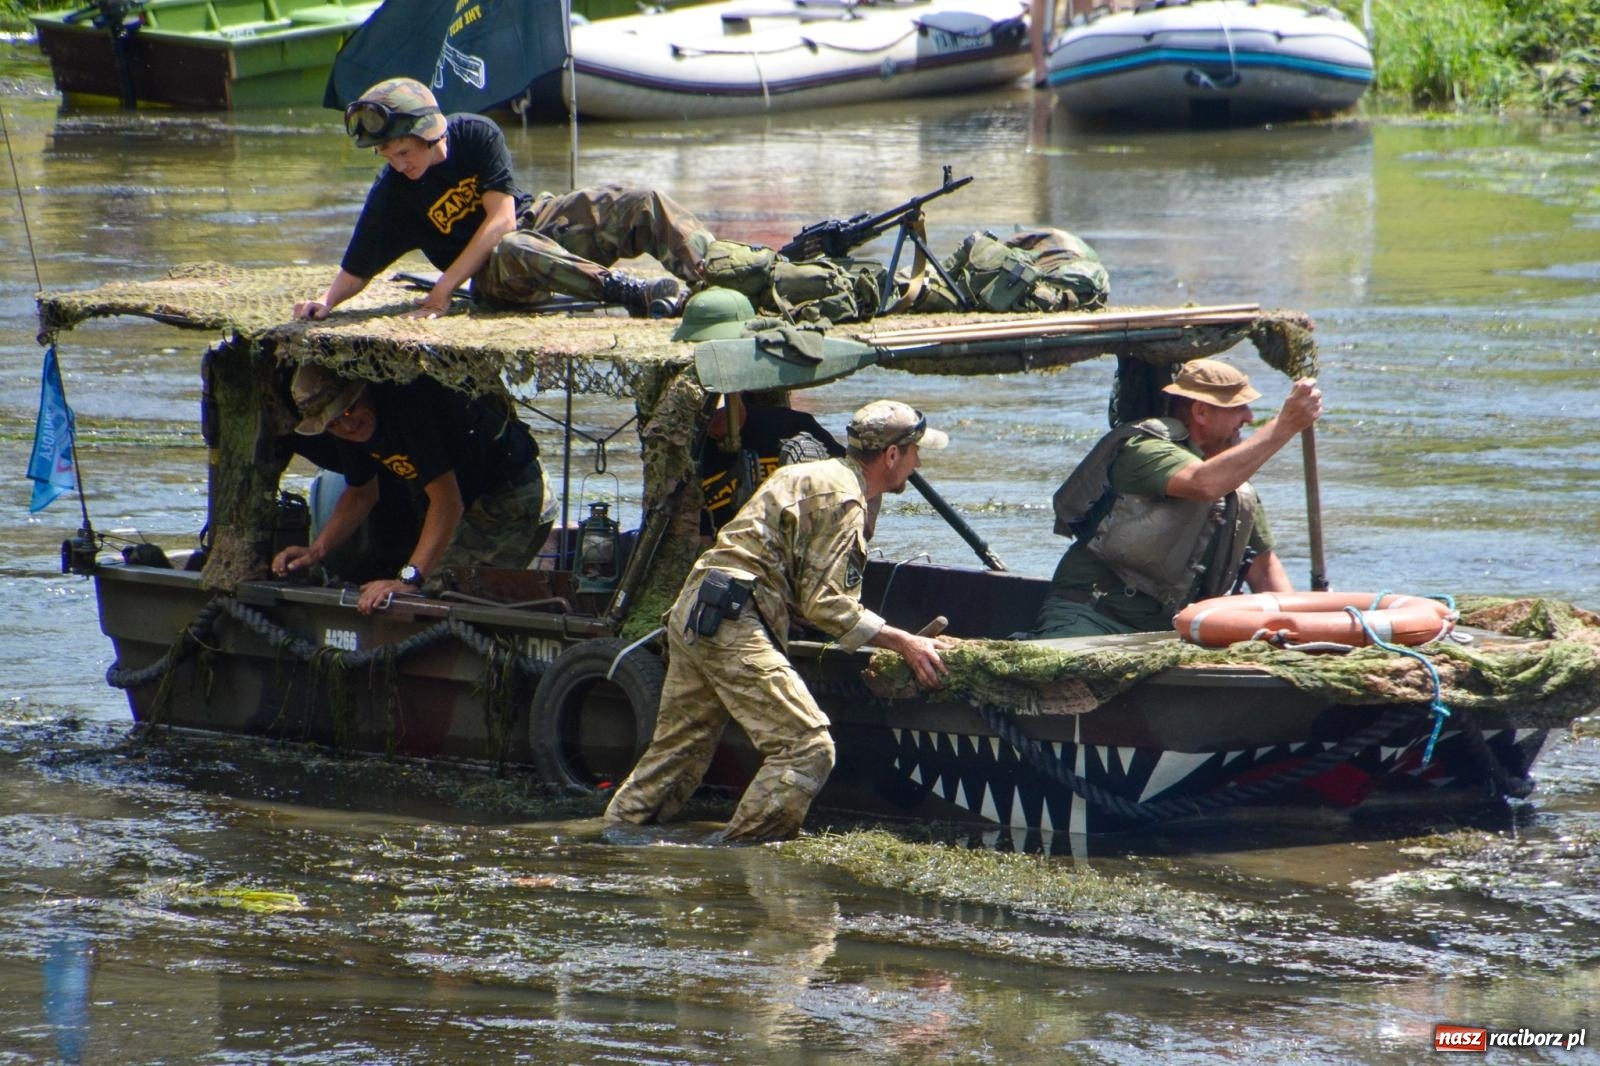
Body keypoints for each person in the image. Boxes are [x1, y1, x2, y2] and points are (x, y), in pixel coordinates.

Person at [605, 400, 954, 842]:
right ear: (890, 456)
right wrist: (906, 642)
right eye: (914, 452)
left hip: (698, 609)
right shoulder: (844, 499)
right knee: (807, 747)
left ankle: (612, 838)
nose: (918, 461)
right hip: (733, 619)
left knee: (678, 752)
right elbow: (827, 603)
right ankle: (736, 857)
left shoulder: (812, 475)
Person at [293, 77, 713, 322]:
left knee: (641, 200)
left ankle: (717, 277)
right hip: (496, 275)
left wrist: (441, 290)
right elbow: (357, 266)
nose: (398, 165)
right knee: (514, 248)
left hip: (533, 223)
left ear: (429, 134)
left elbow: (503, 218)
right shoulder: (392, 194)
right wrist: (325, 303)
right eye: (387, 156)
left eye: (404, 152)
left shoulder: (476, 133)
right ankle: (634, 294)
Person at [1032, 358, 1323, 638]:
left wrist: (1301, 631)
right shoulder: (1144, 449)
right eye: (1238, 407)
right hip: (1093, 617)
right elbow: (1202, 482)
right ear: (1201, 413)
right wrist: (1284, 425)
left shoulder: (1235, 486)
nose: (1248, 417)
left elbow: (1264, 571)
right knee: (1067, 682)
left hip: (1170, 631)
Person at [270, 363, 551, 614]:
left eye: (349, 409)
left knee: (446, 592)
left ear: (363, 390)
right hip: (453, 498)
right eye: (333, 423)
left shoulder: (410, 409)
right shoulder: (347, 432)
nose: (348, 425)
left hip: (505, 493)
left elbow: (448, 504)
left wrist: (407, 579)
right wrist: (317, 550)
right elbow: (361, 494)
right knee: (419, 583)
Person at [672, 288, 849, 533]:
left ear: (741, 391)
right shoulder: (684, 457)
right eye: (707, 409)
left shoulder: (792, 427)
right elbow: (693, 541)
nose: (715, 415)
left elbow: (860, 476)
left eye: (722, 406)